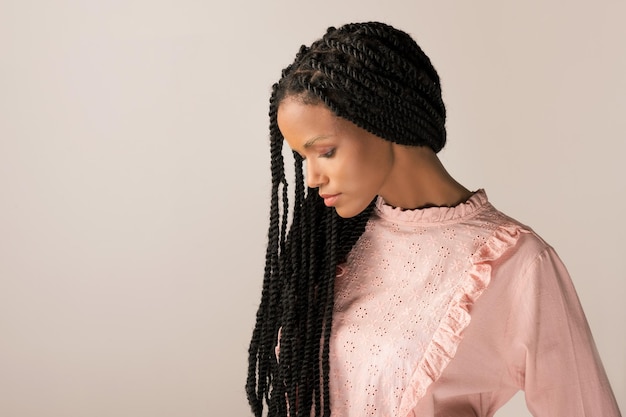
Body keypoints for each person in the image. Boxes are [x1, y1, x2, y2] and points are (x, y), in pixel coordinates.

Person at [246, 22, 622, 417]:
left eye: (324, 152)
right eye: (303, 159)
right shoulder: (332, 244)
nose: (312, 179)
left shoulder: (516, 263)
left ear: (382, 121)